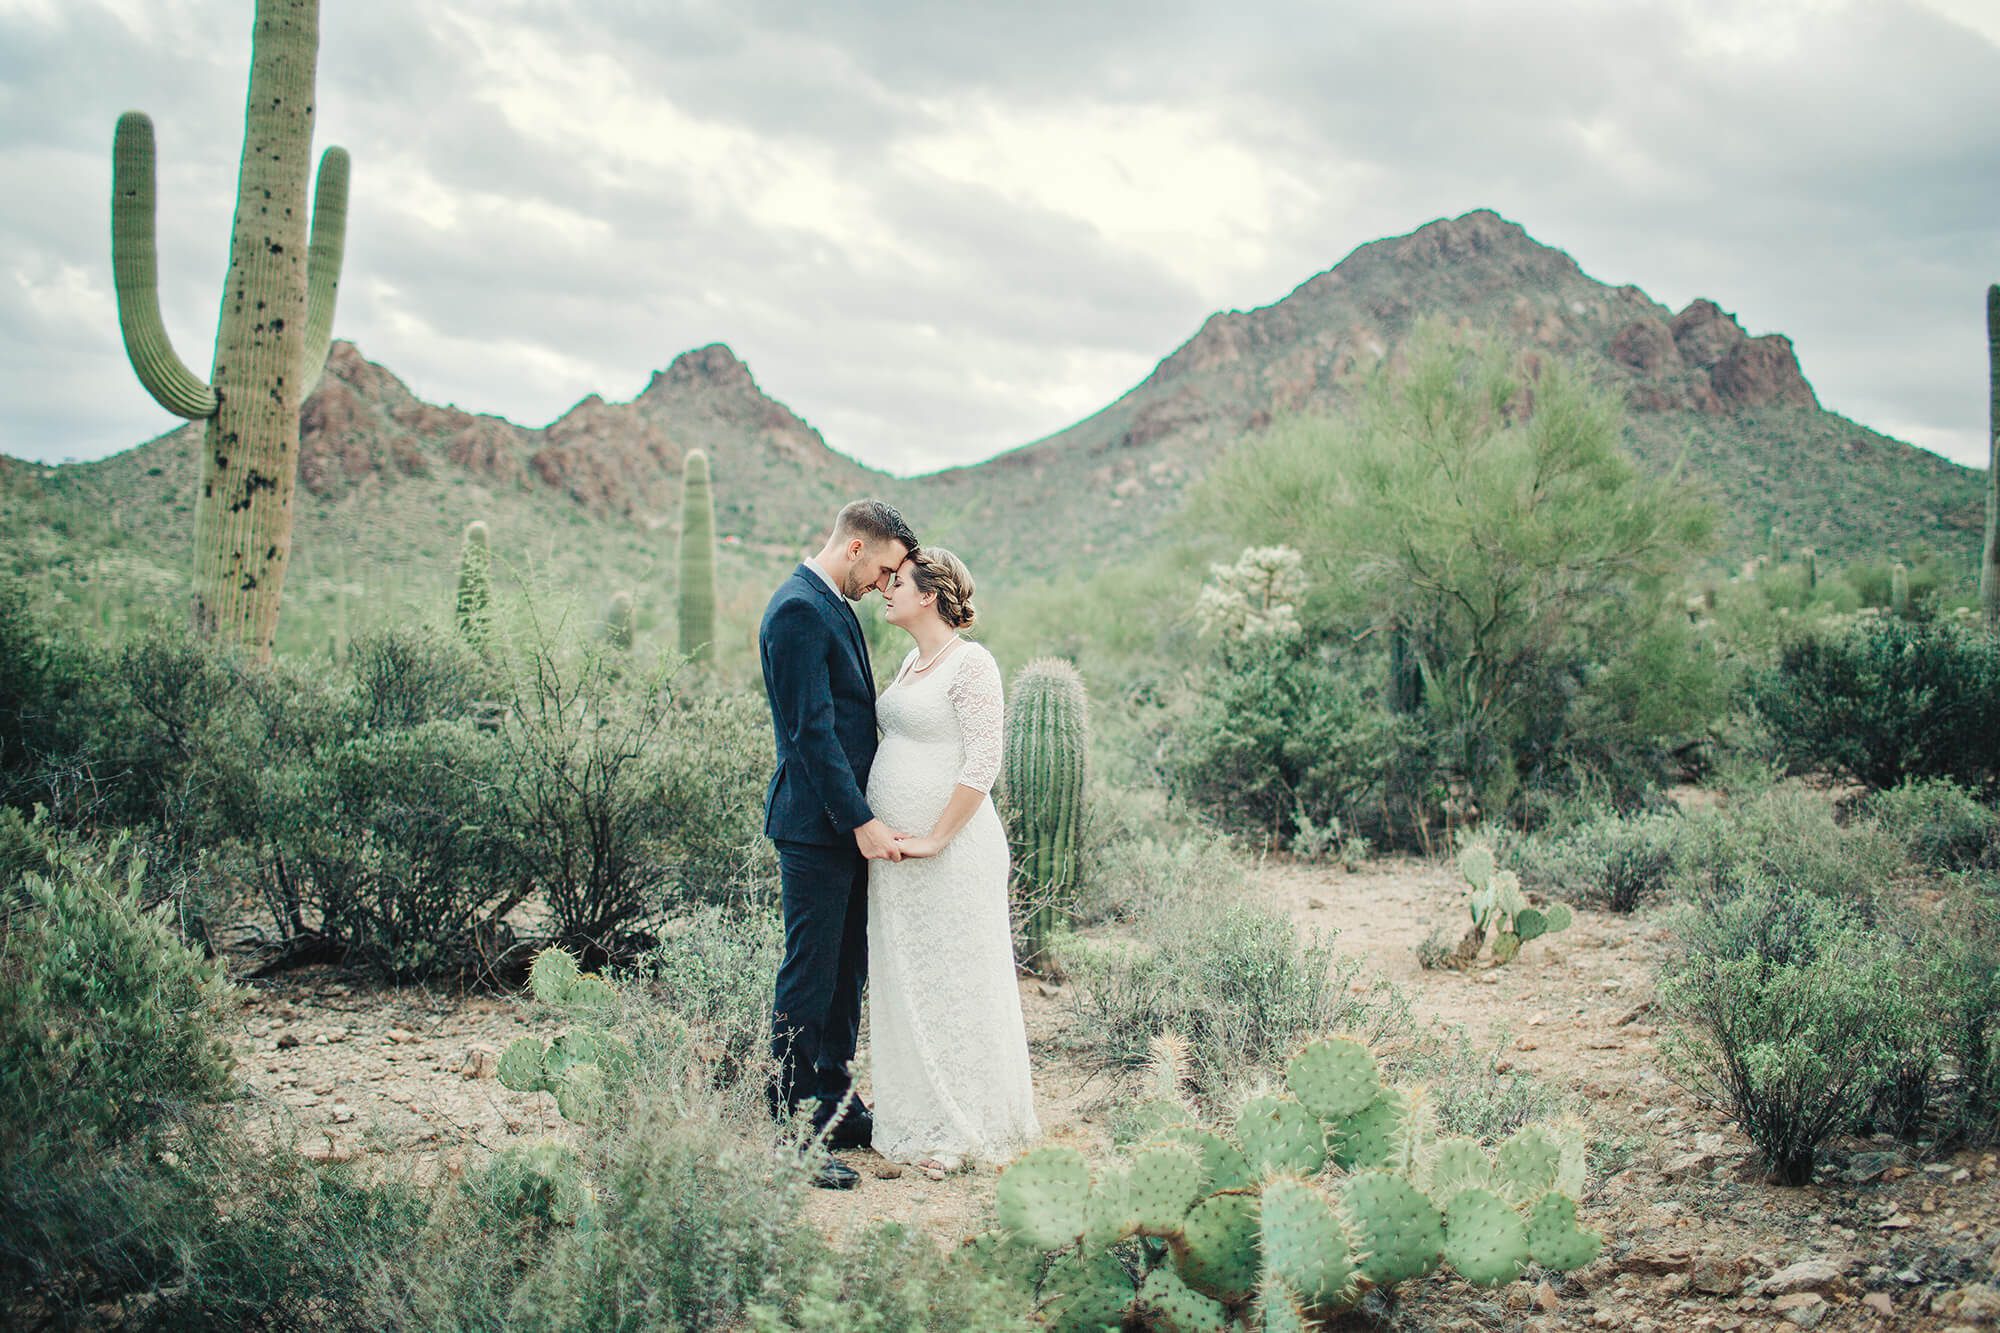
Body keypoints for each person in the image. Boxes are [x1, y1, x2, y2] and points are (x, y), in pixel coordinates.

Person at [865, 547, 1040, 1177]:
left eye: (898, 583)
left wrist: (936, 837)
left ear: (930, 594)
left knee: (958, 980)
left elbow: (981, 763)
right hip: (896, 857)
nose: (886, 590)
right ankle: (914, 1114)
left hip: (954, 850)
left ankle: (964, 1128)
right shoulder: (912, 660)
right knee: (908, 977)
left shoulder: (972, 664)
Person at [758, 498, 917, 1190]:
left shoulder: (833, 606)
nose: (885, 585)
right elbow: (810, 733)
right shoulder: (797, 609)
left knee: (846, 970)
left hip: (842, 827)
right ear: (856, 547)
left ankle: (836, 1098)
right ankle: (793, 1128)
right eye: (883, 570)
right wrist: (859, 820)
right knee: (810, 973)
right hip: (815, 827)